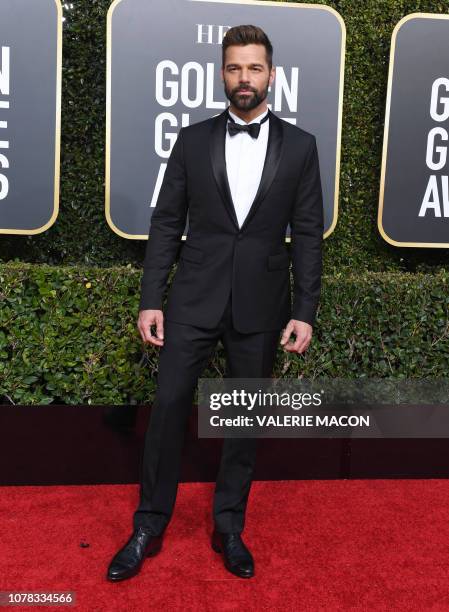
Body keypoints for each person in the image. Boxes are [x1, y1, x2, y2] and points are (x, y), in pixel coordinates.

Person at [107, 24, 324, 582]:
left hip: (262, 304)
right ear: (222, 74)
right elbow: (166, 223)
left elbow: (306, 233)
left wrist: (304, 311)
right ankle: (148, 525)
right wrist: (151, 298)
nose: (243, 78)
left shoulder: (301, 147)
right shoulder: (192, 140)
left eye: (254, 68)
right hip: (192, 301)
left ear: (271, 75)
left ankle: (229, 526)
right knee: (169, 412)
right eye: (234, 68)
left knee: (244, 421)